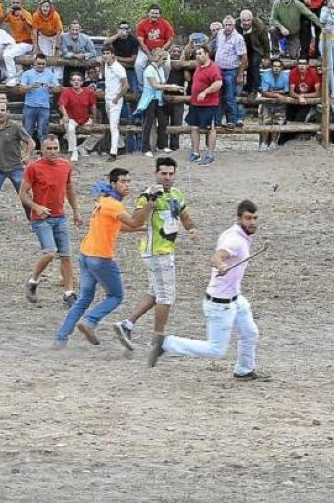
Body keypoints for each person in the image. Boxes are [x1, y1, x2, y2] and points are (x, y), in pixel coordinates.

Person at [147, 200, 269, 381]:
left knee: (250, 332)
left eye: (255, 218)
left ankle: (244, 371)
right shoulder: (234, 239)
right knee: (215, 350)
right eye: (248, 218)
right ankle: (166, 343)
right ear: (238, 218)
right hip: (221, 304)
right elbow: (216, 257)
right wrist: (221, 265)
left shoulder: (239, 234)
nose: (252, 222)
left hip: (235, 299)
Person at [54, 168, 156, 348]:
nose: (127, 185)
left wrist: (142, 230)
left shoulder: (103, 201)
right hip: (101, 258)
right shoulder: (114, 205)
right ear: (113, 184)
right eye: (123, 181)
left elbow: (119, 226)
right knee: (116, 296)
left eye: (128, 181)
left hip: (86, 255)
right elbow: (134, 221)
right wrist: (150, 203)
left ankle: (61, 337)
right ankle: (90, 321)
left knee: (84, 298)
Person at [114, 157, 200, 346]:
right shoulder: (147, 195)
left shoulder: (177, 194)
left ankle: (127, 324)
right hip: (157, 252)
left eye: (170, 174)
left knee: (155, 292)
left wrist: (191, 228)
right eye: (163, 174)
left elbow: (185, 217)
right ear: (156, 174)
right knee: (166, 296)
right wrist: (150, 202)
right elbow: (136, 220)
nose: (167, 177)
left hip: (164, 250)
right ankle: (158, 337)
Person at [18, 135, 81, 306]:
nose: (53, 152)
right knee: (50, 253)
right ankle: (33, 281)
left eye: (55, 148)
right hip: (41, 218)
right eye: (49, 149)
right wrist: (36, 207)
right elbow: (22, 194)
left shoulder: (65, 166)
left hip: (60, 217)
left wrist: (76, 211)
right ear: (42, 150)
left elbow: (69, 189)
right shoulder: (33, 167)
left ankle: (69, 293)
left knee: (66, 256)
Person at [0, 98, 35, 234]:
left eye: (3, 110)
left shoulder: (16, 127)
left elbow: (31, 142)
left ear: (8, 112)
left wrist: (27, 155)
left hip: (16, 167)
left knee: (25, 197)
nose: (0, 113)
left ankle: (34, 221)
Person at [135, 48, 184, 155]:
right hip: (150, 99)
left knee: (163, 122)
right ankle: (145, 148)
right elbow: (155, 85)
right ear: (158, 58)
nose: (165, 61)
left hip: (158, 99)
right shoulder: (149, 69)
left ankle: (162, 145)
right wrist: (170, 87)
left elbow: (161, 83)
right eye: (164, 59)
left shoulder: (160, 69)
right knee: (148, 123)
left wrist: (170, 87)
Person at [186, 46, 223, 166]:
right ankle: (196, 153)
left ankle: (210, 154)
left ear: (207, 54)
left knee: (211, 129)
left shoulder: (213, 68)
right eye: (196, 54)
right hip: (195, 103)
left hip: (209, 104)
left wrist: (205, 92)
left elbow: (218, 83)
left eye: (200, 53)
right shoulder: (198, 66)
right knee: (194, 127)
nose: (197, 56)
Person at [19, 54, 59, 147]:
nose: (41, 65)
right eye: (39, 63)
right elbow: (21, 89)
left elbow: (58, 88)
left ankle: (43, 154)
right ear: (34, 63)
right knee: (27, 131)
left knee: (43, 132)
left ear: (46, 64)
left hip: (44, 107)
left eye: (43, 64)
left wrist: (51, 86)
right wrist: (31, 86)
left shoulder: (50, 74)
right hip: (29, 106)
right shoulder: (27, 74)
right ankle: (26, 153)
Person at [58, 72, 97, 162]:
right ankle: (73, 151)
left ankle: (84, 147)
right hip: (72, 118)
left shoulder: (88, 92)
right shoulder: (67, 92)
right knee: (70, 128)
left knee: (99, 132)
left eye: (79, 80)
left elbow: (93, 106)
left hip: (85, 118)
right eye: (74, 80)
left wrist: (94, 120)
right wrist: (65, 115)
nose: (76, 82)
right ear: (71, 82)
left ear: (82, 82)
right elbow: (62, 105)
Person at [101, 46, 130, 160]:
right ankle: (120, 146)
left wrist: (117, 97)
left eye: (107, 53)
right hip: (108, 98)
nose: (105, 55)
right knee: (113, 124)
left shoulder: (118, 67)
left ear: (113, 54)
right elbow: (103, 76)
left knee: (113, 126)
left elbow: (126, 85)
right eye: (104, 53)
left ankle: (113, 153)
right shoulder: (107, 65)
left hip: (114, 99)